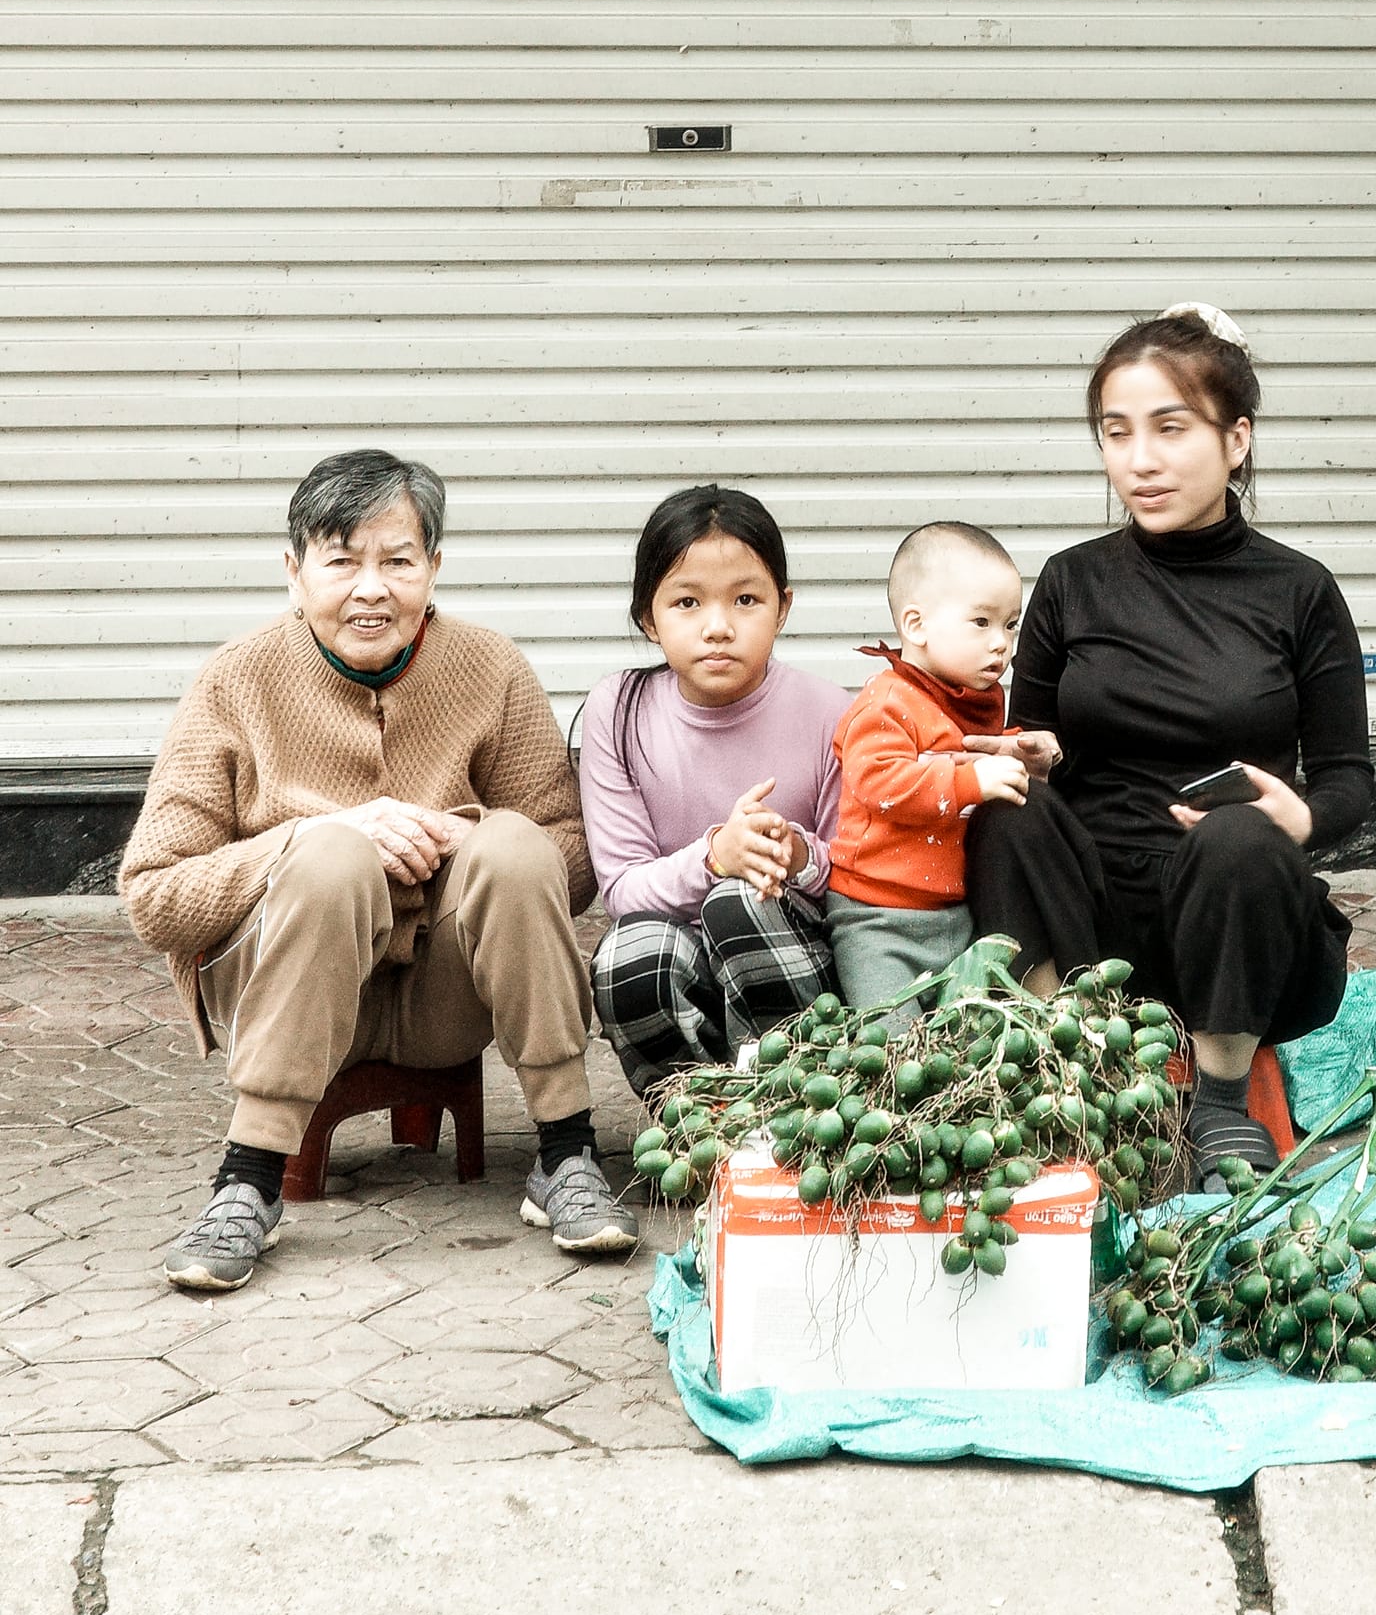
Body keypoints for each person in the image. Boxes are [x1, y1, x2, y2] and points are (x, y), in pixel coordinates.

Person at [122, 448, 630, 1294]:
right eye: (342, 562)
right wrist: (311, 838)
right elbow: (153, 897)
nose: (371, 589)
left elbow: (571, 855)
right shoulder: (234, 680)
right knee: (330, 856)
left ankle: (567, 1153)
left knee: (512, 844)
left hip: (442, 998)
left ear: (434, 568)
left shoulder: (490, 666)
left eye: (398, 561)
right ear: (294, 573)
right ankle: (246, 1182)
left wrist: (467, 836)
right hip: (282, 991)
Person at [964, 306, 1373, 1188]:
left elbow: (1348, 777)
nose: (1139, 461)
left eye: (1170, 428)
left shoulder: (1299, 591)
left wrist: (1301, 820)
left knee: (1237, 837)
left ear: (1237, 440)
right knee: (1006, 808)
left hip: (1235, 925)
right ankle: (1063, 1064)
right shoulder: (1071, 581)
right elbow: (1030, 740)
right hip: (1093, 921)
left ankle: (1221, 1101)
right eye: (1117, 433)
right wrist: (1031, 756)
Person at [579, 486, 848, 1093]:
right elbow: (622, 891)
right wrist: (715, 856)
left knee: (740, 903)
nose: (718, 627)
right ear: (648, 617)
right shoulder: (618, 711)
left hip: (795, 969)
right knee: (627, 956)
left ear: (783, 608)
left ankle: (792, 1107)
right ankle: (698, 1119)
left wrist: (795, 855)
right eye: (687, 602)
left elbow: (858, 882)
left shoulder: (833, 713)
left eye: (746, 600)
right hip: (678, 961)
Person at [826, 522, 1030, 1014]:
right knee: (892, 1036)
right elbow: (878, 781)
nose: (1001, 643)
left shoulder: (967, 698)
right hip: (877, 918)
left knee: (963, 1037)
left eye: (1010, 625)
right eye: (981, 622)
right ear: (916, 626)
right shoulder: (887, 701)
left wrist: (1023, 753)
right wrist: (970, 780)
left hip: (956, 915)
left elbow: (972, 754)